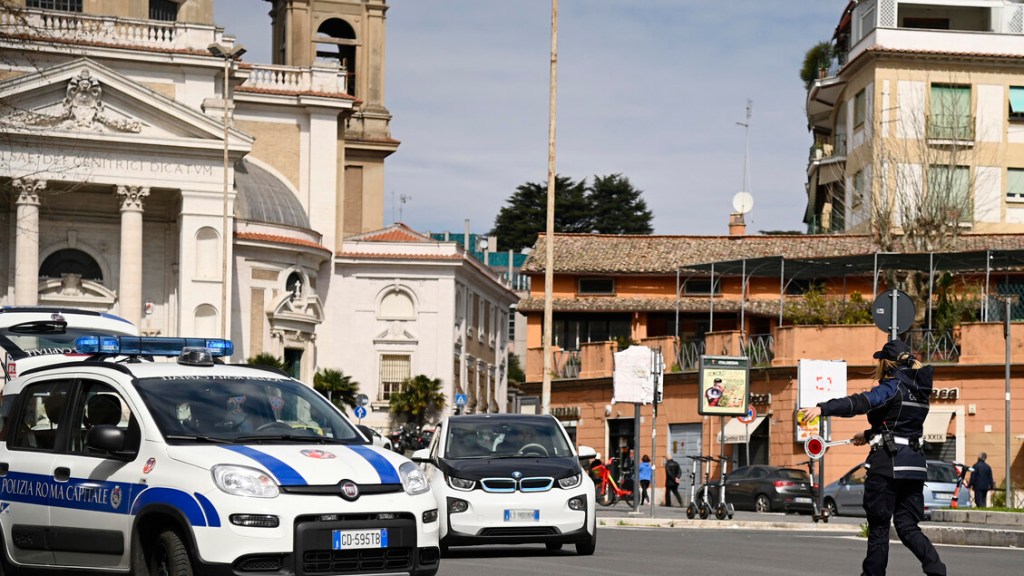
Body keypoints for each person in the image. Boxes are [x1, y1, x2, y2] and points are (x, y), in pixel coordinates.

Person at [800, 339, 946, 576]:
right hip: (915, 465)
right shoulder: (920, 391)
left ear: (885, 364)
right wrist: (869, 434)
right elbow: (902, 425)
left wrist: (822, 408)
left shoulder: (892, 387)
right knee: (908, 526)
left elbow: (861, 402)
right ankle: (936, 569)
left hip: (888, 466)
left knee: (878, 529)